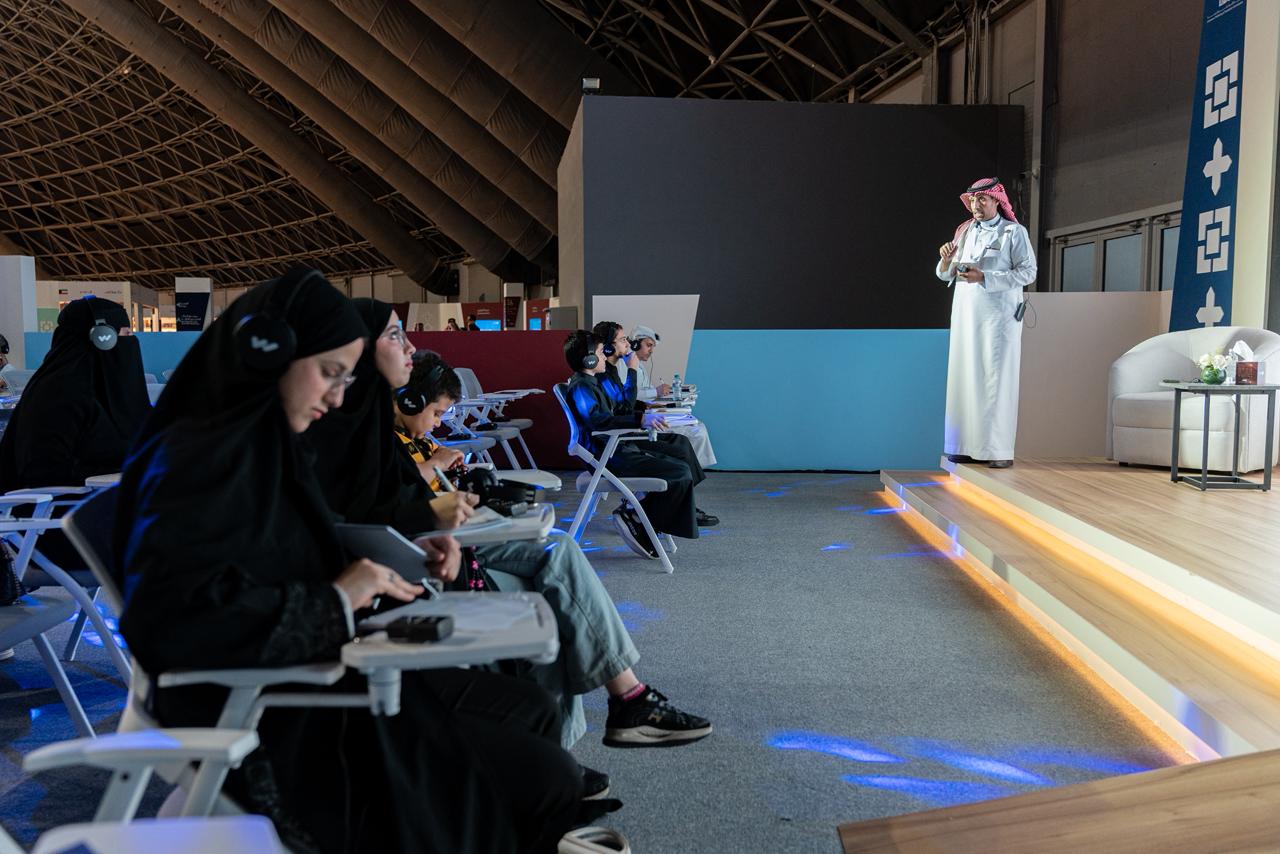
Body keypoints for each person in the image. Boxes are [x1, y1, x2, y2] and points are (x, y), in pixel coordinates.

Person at [114, 269, 583, 853]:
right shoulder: (198, 463)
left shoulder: (260, 448)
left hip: (314, 688)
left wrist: (393, 558)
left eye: (346, 378)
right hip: (273, 714)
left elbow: (287, 556)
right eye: (330, 373)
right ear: (268, 353)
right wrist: (339, 598)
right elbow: (176, 621)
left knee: (535, 742)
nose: (338, 397)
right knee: (542, 780)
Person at [391, 347, 713, 756]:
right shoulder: (382, 443)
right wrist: (434, 464)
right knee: (558, 548)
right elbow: (389, 495)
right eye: (437, 414)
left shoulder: (412, 438)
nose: (438, 423)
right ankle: (628, 698)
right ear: (409, 400)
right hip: (440, 541)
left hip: (460, 526)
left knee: (558, 596)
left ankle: (565, 755)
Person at [0, 297, 150, 567]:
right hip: (59, 528)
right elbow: (44, 473)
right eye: (126, 335)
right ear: (103, 339)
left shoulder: (105, 395)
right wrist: (115, 473)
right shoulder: (59, 396)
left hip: (103, 518)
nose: (132, 343)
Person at [566, 330, 708, 558]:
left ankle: (641, 517)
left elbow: (613, 411)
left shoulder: (589, 383)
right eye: (601, 353)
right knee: (679, 470)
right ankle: (638, 517)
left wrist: (642, 417)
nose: (604, 357)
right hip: (608, 456)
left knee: (678, 464)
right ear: (589, 360)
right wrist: (640, 420)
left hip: (614, 449)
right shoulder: (582, 387)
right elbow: (598, 421)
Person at [935, 177, 1037, 468]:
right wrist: (946, 260)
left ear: (996, 201)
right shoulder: (964, 231)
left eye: (982, 199)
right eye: (972, 200)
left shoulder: (1013, 232)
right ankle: (964, 446)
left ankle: (997, 450)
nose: (976, 205)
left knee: (995, 379)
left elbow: (1028, 272)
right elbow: (945, 274)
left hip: (998, 317)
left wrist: (986, 277)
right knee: (965, 376)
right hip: (966, 314)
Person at [591, 322, 718, 526]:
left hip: (626, 432)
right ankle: (653, 508)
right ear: (607, 347)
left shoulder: (611, 371)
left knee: (682, 443)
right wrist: (633, 372)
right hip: (620, 441)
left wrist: (644, 408)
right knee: (680, 457)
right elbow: (621, 409)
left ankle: (677, 505)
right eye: (623, 340)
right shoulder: (605, 375)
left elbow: (622, 405)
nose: (628, 344)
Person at [629, 324, 717, 468]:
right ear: (636, 344)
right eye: (648, 345)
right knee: (697, 431)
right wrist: (656, 392)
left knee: (697, 425)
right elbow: (629, 395)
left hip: (650, 411)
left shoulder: (639, 365)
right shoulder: (626, 365)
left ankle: (692, 471)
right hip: (643, 418)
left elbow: (646, 393)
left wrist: (664, 396)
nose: (651, 351)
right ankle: (691, 472)